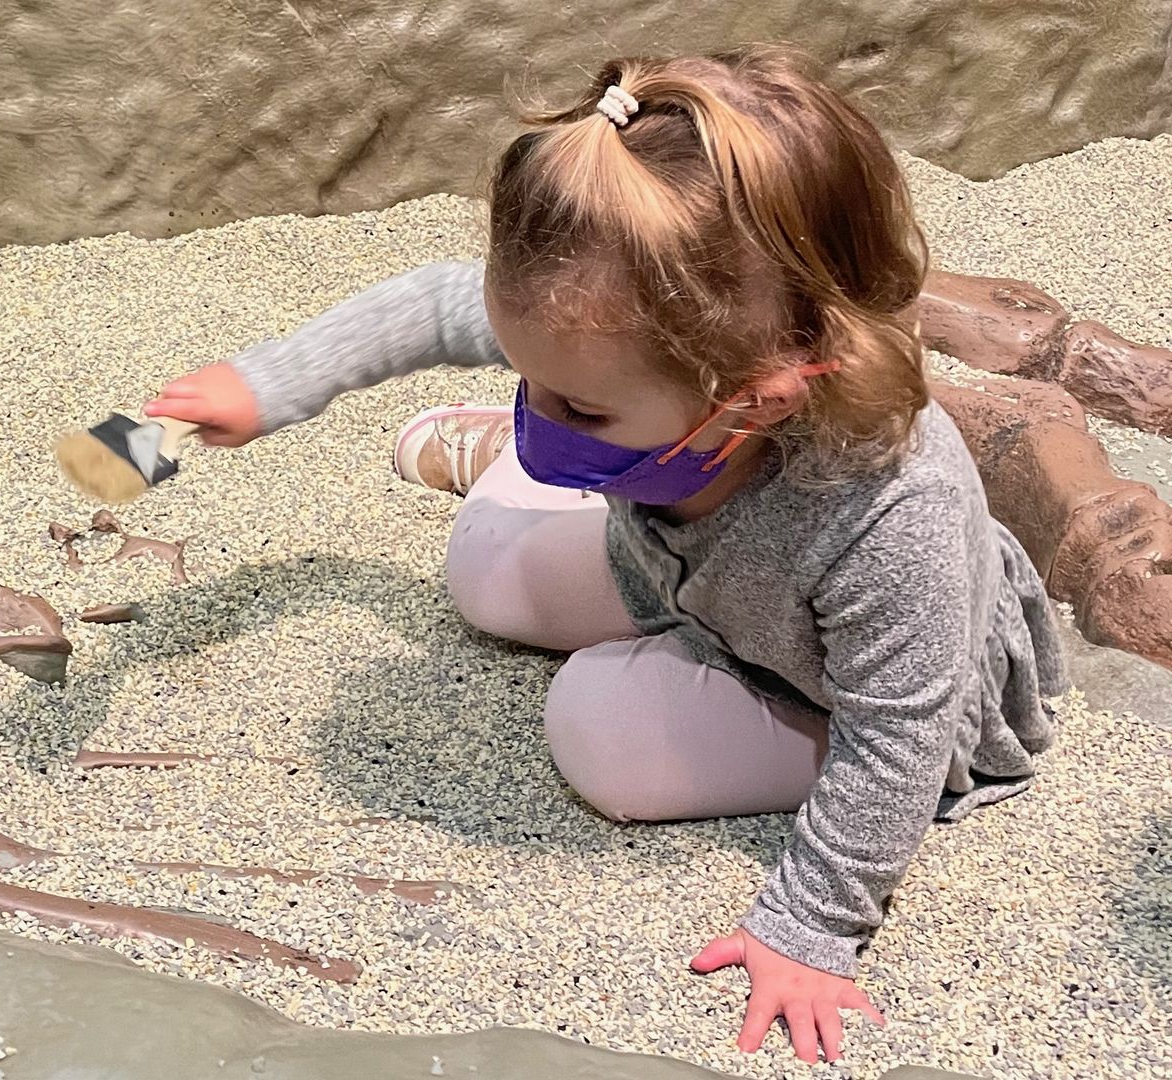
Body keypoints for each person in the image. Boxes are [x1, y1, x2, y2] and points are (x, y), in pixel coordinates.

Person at [143, 47, 1065, 1064]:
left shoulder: (895, 512)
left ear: (760, 396)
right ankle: (521, 459)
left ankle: (543, 493)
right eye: (527, 381)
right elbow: (427, 305)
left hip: (867, 698)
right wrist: (267, 385)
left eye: (575, 406)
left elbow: (899, 736)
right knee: (482, 571)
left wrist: (814, 927)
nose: (543, 406)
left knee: (599, 729)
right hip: (686, 575)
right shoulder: (620, 310)